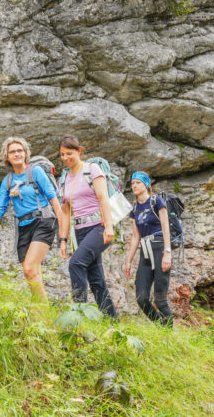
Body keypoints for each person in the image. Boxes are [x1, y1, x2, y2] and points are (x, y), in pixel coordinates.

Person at [0, 136, 67, 301]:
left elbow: (52, 198)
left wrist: (62, 228)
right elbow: (0, 209)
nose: (17, 154)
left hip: (44, 222)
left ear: (26, 154)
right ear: (7, 157)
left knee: (29, 267)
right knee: (32, 273)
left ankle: (42, 313)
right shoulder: (8, 181)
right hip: (23, 227)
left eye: (20, 150)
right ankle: (42, 315)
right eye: (12, 152)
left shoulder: (35, 171)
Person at [59, 135, 117, 318]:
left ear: (79, 151)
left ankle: (78, 316)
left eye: (69, 153)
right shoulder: (65, 177)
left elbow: (103, 197)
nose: (66, 158)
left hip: (98, 227)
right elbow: (66, 211)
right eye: (62, 154)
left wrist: (109, 227)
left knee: (76, 263)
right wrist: (63, 240)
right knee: (96, 279)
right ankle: (111, 320)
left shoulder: (92, 169)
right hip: (79, 231)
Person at [123, 171, 173, 326]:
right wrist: (128, 261)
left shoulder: (156, 201)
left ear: (146, 184)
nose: (134, 185)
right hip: (145, 252)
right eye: (132, 183)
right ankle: (160, 326)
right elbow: (136, 236)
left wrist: (167, 253)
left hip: (159, 248)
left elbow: (165, 227)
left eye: (138, 182)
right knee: (141, 298)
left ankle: (168, 334)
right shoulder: (135, 208)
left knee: (160, 299)